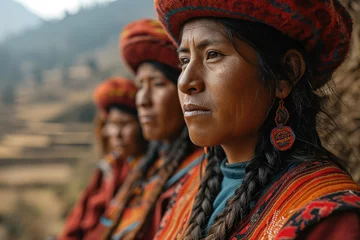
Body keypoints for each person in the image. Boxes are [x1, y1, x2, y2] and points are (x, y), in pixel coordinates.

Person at [154, 1, 360, 239]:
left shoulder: (329, 220)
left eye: (213, 55)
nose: (185, 82)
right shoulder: (186, 191)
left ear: (286, 74)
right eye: (184, 61)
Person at [88, 19, 204, 240]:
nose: (142, 100)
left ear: (186, 90)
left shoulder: (201, 173)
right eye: (141, 85)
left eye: (158, 84)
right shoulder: (150, 167)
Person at [58, 77, 147, 240]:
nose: (116, 134)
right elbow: (76, 220)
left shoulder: (148, 174)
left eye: (125, 124)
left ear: (142, 127)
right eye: (112, 124)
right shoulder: (109, 168)